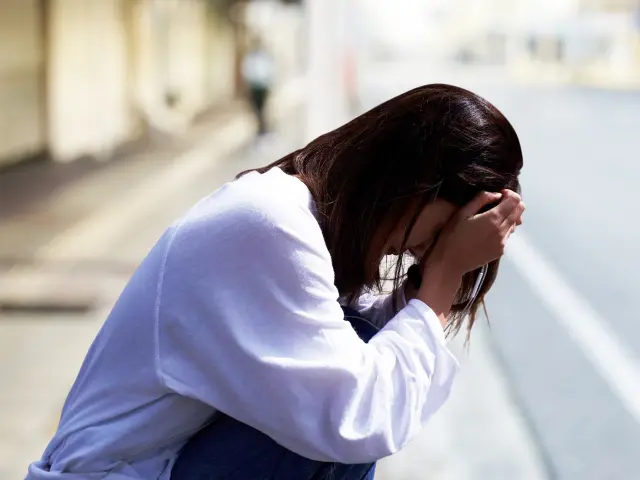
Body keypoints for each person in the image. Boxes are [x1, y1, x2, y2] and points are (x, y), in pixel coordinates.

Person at [26, 84, 524, 480]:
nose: (420, 252)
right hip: (119, 472)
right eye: (436, 234)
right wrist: (443, 278)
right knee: (344, 401)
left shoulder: (296, 217)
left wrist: (427, 285)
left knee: (366, 346)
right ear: (409, 184)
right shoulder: (268, 223)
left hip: (164, 462)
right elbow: (357, 420)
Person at [241, 38, 274, 137]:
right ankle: (260, 127)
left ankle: (263, 128)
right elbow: (246, 71)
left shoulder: (264, 57)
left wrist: (269, 83)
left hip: (263, 86)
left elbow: (270, 71)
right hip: (254, 86)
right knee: (256, 108)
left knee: (263, 108)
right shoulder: (251, 57)